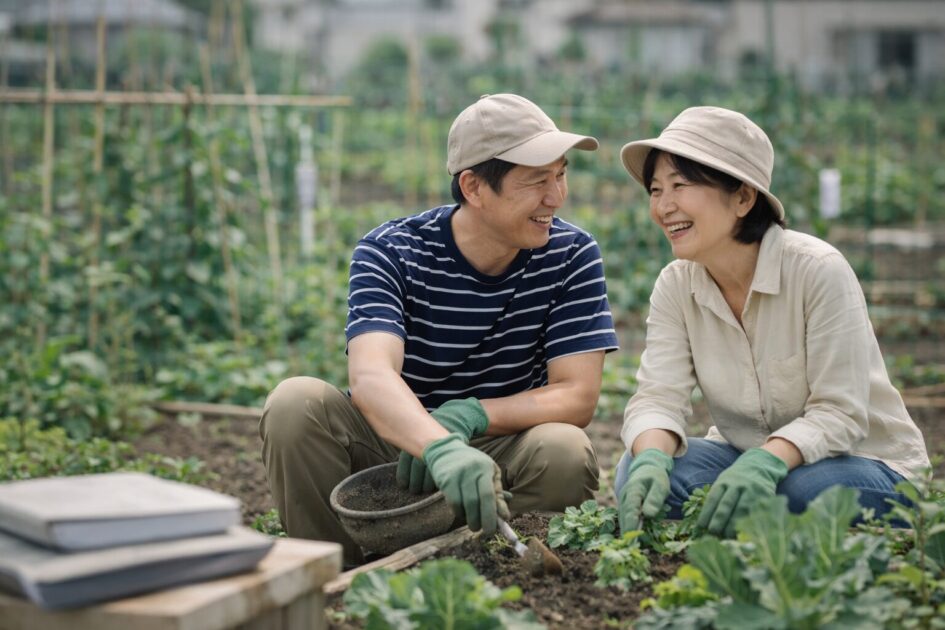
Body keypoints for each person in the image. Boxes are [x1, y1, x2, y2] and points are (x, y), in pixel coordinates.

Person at [260, 93, 619, 566]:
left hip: (500, 445)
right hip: (396, 450)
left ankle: (510, 571)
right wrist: (436, 444)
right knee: (294, 404)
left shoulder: (570, 254)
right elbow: (371, 376)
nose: (555, 197)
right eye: (536, 181)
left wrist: (470, 414)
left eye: (561, 174)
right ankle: (336, 578)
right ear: (473, 187)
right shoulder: (391, 251)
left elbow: (576, 394)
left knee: (564, 448)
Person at [614, 106, 930, 538]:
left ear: (743, 198)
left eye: (680, 186)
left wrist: (768, 460)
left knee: (801, 489)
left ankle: (751, 521)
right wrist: (651, 458)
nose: (664, 206)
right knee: (633, 468)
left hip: (866, 463)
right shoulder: (676, 285)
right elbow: (658, 396)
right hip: (745, 458)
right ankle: (756, 521)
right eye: (655, 189)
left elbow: (840, 413)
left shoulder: (817, 270)